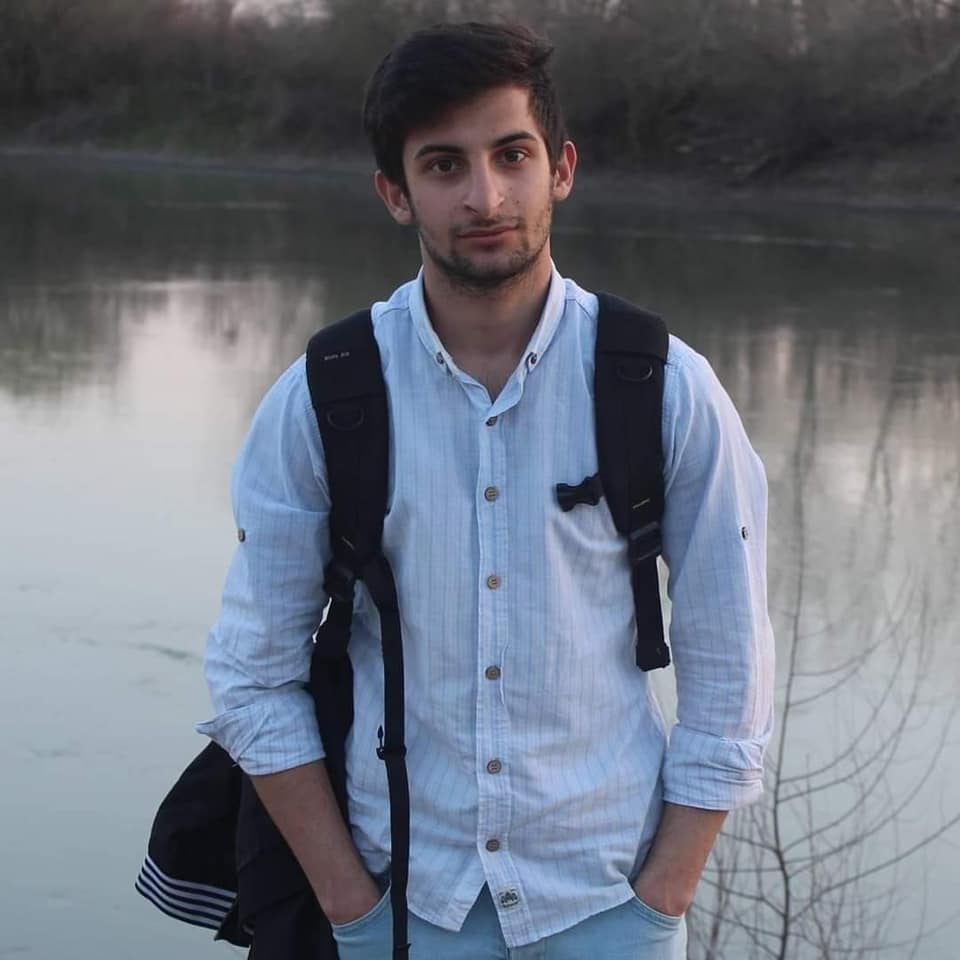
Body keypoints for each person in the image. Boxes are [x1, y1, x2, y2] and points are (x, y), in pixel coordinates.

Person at [197, 21, 774, 960]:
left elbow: (731, 669)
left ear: (561, 168)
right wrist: (350, 910)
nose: (486, 196)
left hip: (611, 910)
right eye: (443, 165)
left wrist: (661, 900)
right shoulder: (326, 396)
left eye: (512, 155)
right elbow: (251, 676)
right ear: (396, 193)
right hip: (399, 913)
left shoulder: (664, 386)